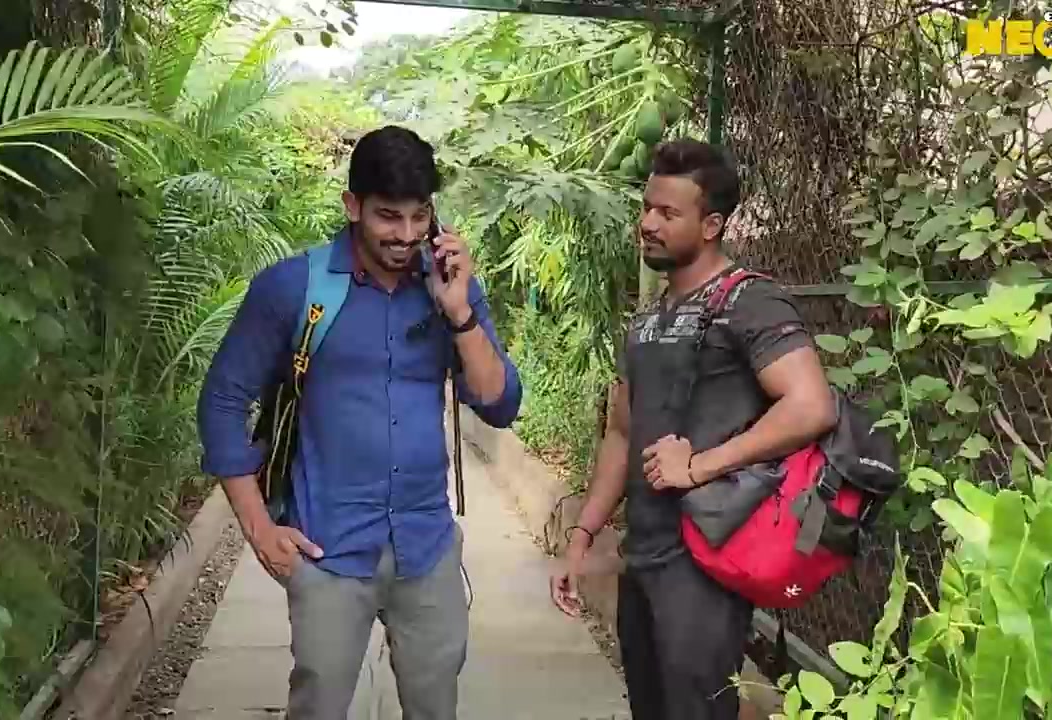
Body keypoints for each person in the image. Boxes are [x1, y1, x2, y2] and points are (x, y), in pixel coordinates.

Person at [198, 125, 523, 720]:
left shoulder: (449, 288)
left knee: (436, 707)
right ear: (353, 206)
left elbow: (499, 403)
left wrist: (460, 313)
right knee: (319, 705)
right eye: (388, 217)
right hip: (328, 550)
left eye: (419, 216)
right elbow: (222, 402)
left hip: (426, 545)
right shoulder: (294, 289)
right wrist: (260, 529)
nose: (406, 235)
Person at [549, 138, 837, 720]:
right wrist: (582, 535)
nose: (647, 224)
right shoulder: (646, 319)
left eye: (667, 213)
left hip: (705, 564)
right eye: (647, 208)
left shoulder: (749, 300)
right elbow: (621, 433)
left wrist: (699, 465)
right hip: (643, 558)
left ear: (712, 225)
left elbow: (811, 406)